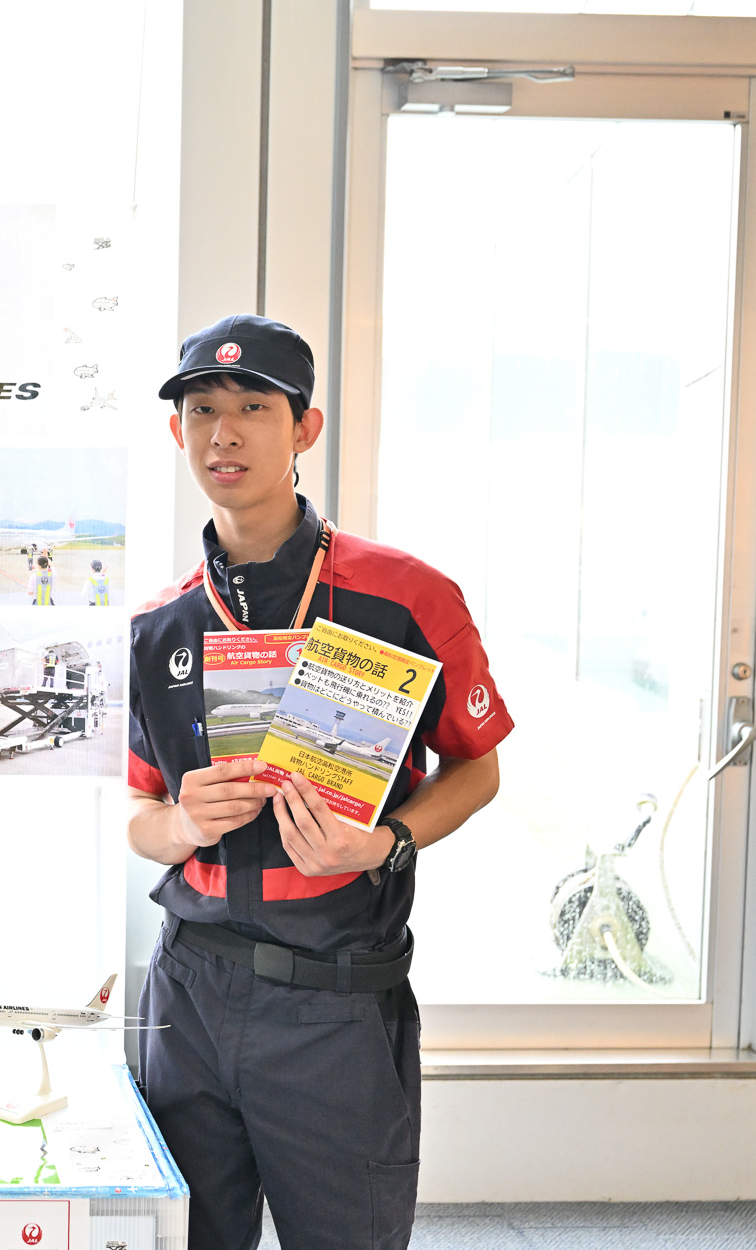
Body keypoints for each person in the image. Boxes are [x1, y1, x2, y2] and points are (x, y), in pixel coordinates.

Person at [125, 315, 510, 1250]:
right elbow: (138, 811)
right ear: (178, 432)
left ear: (305, 428)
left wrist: (387, 841)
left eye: (255, 407)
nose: (226, 433)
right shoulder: (159, 625)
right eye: (203, 410)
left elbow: (479, 767)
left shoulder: (407, 596)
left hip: (334, 1004)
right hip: (190, 993)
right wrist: (180, 824)